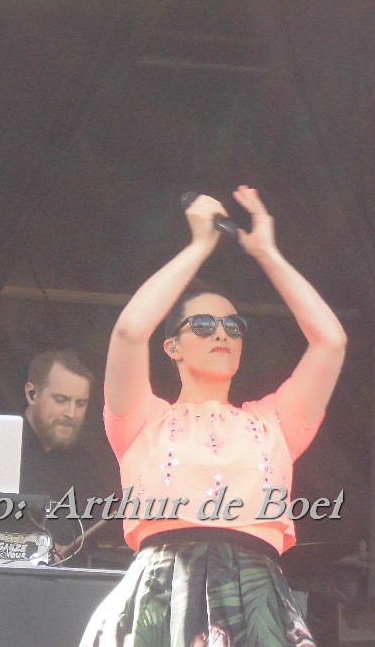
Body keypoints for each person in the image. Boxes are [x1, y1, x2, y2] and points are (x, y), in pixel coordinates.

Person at [80, 186, 347, 647]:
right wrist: (199, 247)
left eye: (233, 326)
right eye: (203, 325)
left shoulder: (274, 423)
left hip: (256, 597)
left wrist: (267, 254)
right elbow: (128, 332)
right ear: (172, 348)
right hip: (161, 595)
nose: (221, 334)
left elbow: (331, 342)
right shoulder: (142, 420)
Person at [19, 348, 112, 556]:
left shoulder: (85, 466)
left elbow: (90, 543)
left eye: (80, 403)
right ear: (31, 394)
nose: (71, 413)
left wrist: (70, 550)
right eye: (61, 400)